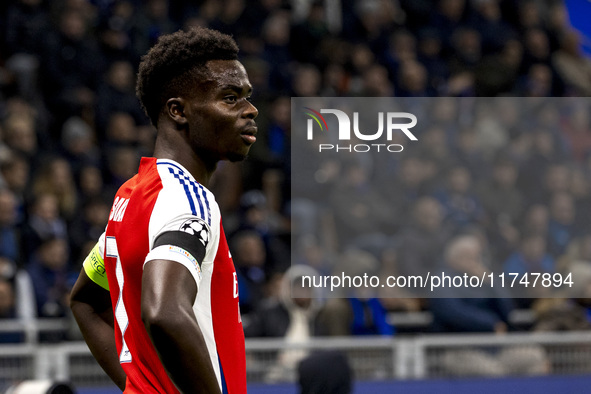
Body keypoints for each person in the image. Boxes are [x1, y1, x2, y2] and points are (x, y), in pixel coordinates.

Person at [69, 27, 258, 394]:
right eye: (230, 98)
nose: (250, 109)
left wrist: (139, 386)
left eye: (248, 97)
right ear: (178, 111)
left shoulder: (131, 196)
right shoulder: (189, 198)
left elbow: (86, 301)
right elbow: (164, 312)